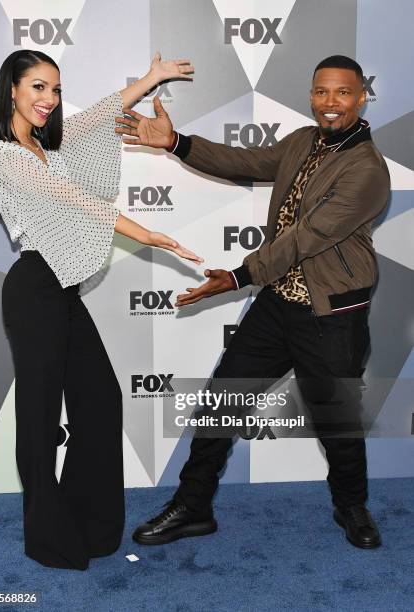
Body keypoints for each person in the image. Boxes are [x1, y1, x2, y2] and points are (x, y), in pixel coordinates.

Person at [117, 55, 391, 550]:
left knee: (337, 422)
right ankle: (193, 506)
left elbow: (308, 238)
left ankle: (352, 507)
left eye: (343, 93)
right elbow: (245, 162)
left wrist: (240, 276)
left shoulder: (367, 169)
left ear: (361, 97)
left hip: (331, 315)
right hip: (279, 303)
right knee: (222, 402)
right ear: (312, 95)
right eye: (322, 92)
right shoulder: (303, 142)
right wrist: (177, 144)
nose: (331, 103)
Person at [0, 49, 201, 570]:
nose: (48, 100)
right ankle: (48, 537)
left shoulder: (46, 146)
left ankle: (89, 521)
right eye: (37, 87)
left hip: (59, 290)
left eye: (55, 90)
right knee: (39, 418)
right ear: (11, 89)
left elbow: (96, 118)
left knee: (100, 399)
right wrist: (148, 234)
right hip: (33, 288)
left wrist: (150, 78)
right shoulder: (5, 156)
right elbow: (76, 200)